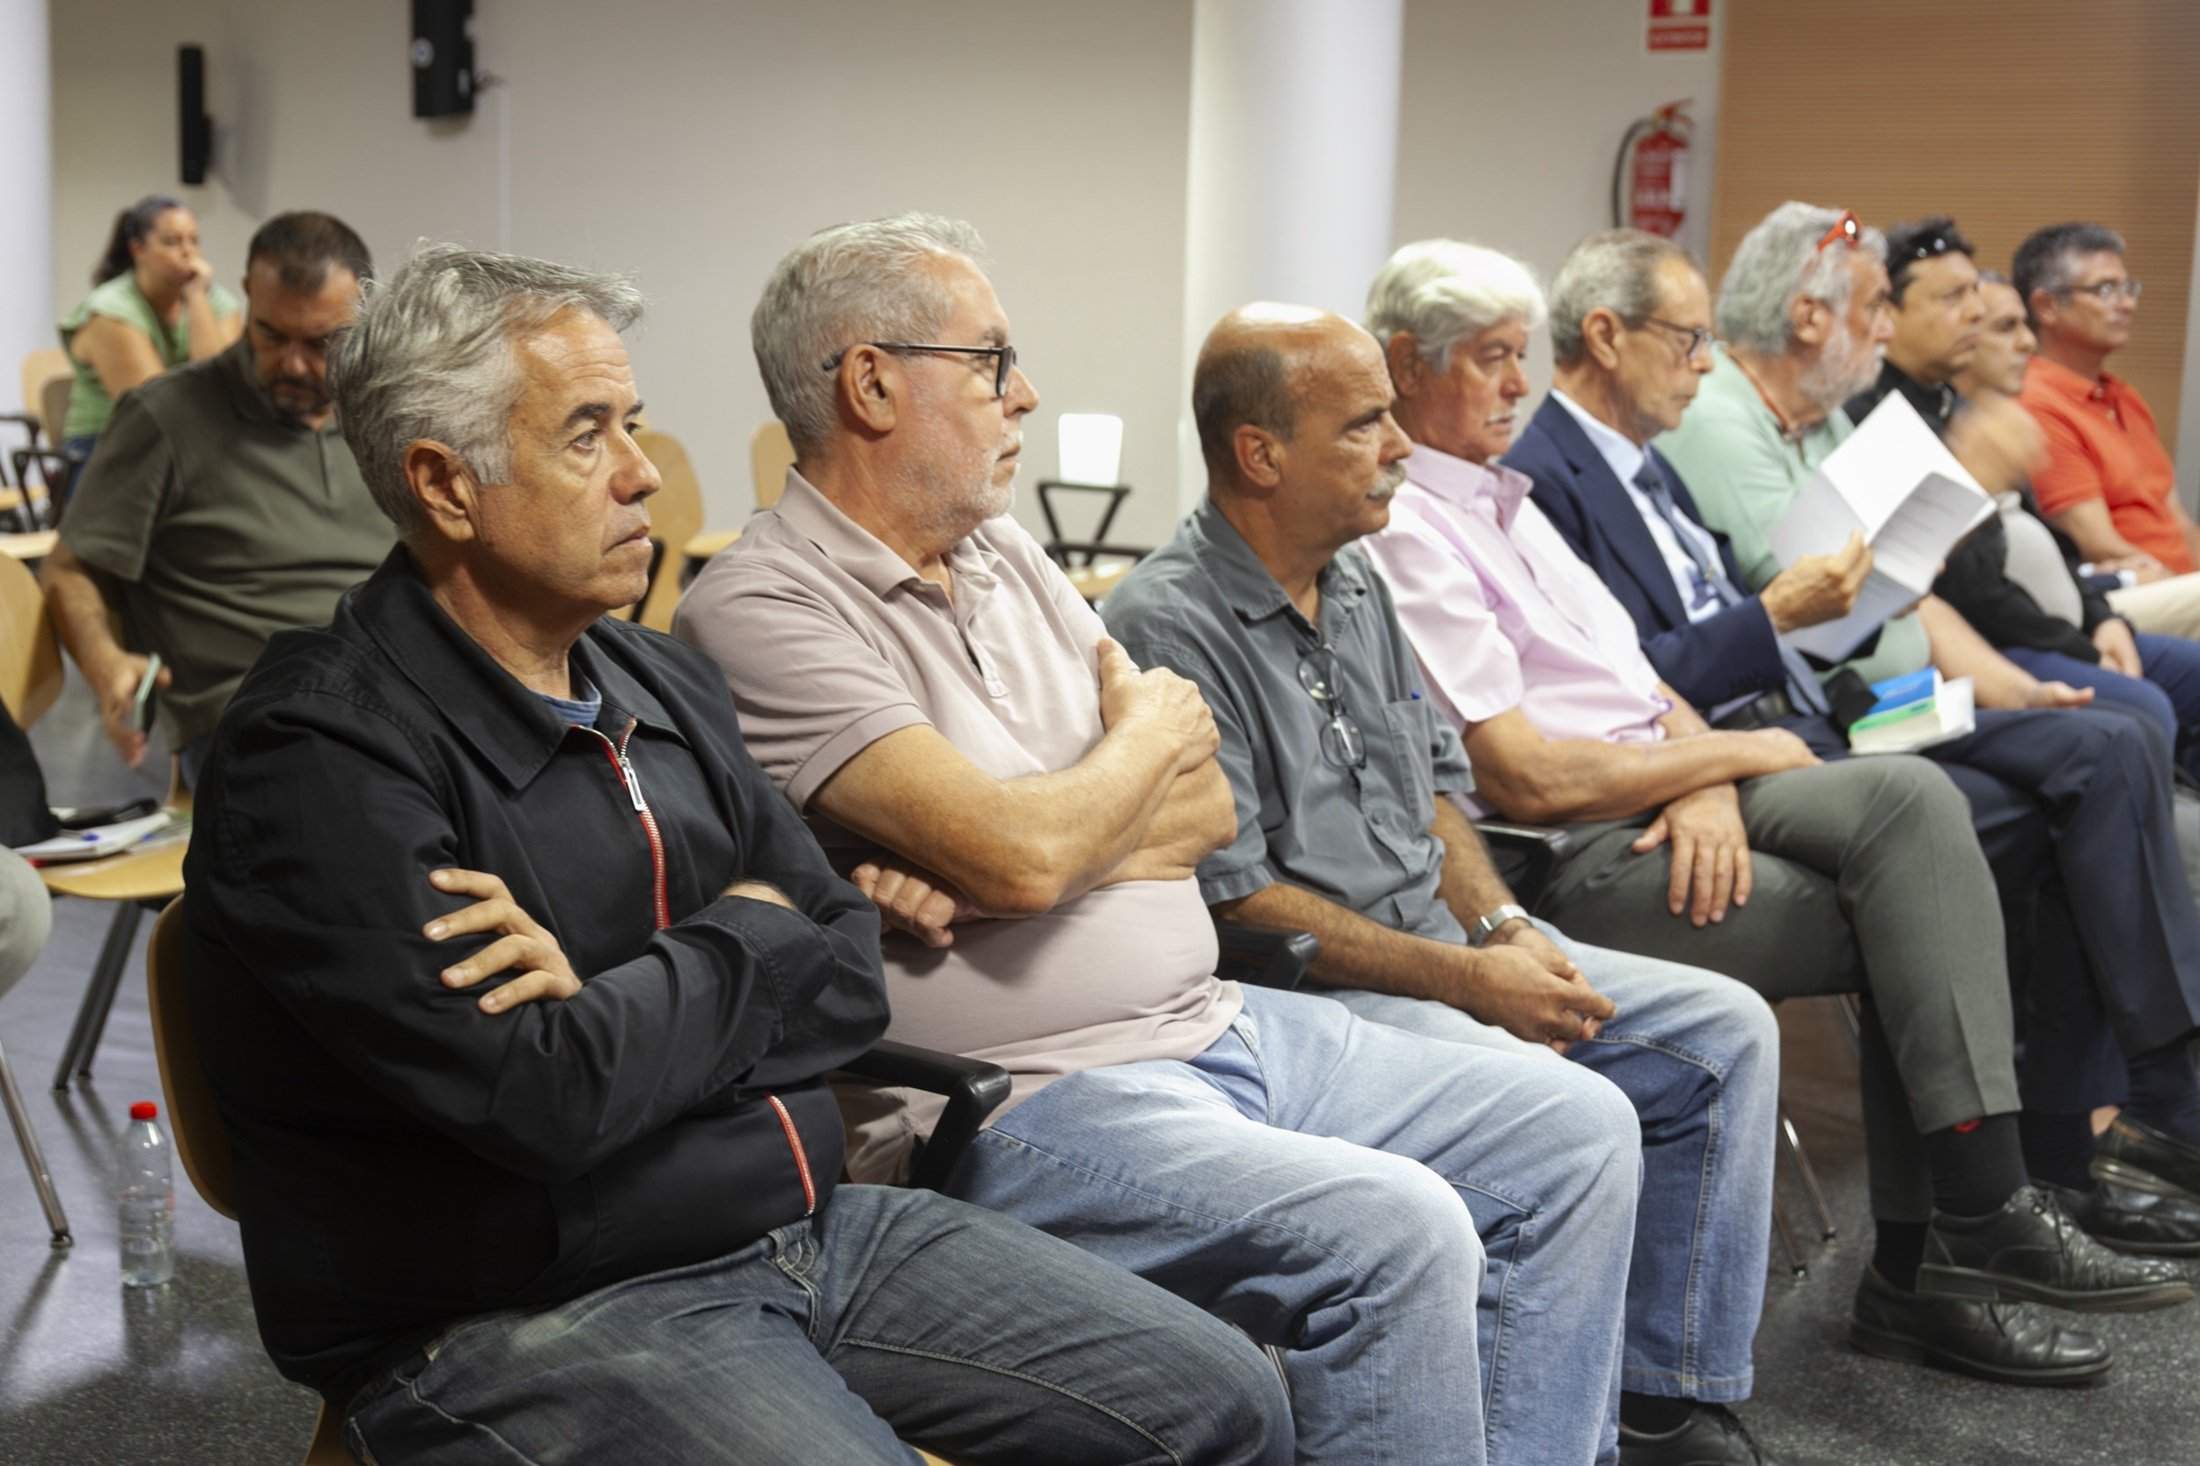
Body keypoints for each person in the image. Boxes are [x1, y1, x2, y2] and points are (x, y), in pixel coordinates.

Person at [179, 241, 1290, 1466]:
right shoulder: (322, 751)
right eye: (587, 436)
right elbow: (541, 1095)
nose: (644, 477)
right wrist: (751, 926)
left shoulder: (654, 675)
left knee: (1221, 1394)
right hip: (515, 1306)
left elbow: (848, 973)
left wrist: (623, 984)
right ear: (446, 485)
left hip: (793, 1224)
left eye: (632, 425)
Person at [682, 213, 1643, 1466]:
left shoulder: (1006, 552)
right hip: (1027, 1088)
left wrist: (1032, 838)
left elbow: (1204, 809)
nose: (1023, 391)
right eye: (989, 362)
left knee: (1574, 1131)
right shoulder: (759, 602)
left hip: (1217, 1018)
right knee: (1397, 1228)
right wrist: (1095, 786)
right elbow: (1044, 841)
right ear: (870, 382)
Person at [1360, 234, 2185, 1387]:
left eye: (1520, 355)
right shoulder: (1414, 523)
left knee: (2018, 768)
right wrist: (1726, 749)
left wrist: (1703, 762)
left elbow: (1641, 682)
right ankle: (1959, 1234)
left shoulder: (1514, 497)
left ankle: (1978, 1217)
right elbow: (1526, 775)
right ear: (1405, 365)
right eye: (1489, 358)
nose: (1514, 383)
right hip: (1587, 841)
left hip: (1719, 761)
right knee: (1948, 882)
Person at [1102, 299, 1787, 1466]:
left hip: (1445, 942)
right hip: (1317, 995)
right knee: (1568, 1111)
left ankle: (1661, 1391)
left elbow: (1434, 794)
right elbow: (1241, 906)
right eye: (1366, 424)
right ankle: (1540, 1437)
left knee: (1724, 1030)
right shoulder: (1169, 618)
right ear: (1260, 454)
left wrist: (1506, 927)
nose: (1402, 447)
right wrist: (1473, 981)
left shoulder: (1356, 574)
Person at [1637, 202, 2200, 1242]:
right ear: (1810, 317)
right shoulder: (1722, 421)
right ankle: (2151, 1100)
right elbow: (1812, 611)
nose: (1887, 328)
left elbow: (1916, 599)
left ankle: (2085, 1132)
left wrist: (2005, 682)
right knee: (2101, 750)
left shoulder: (1831, 419)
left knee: (2104, 738)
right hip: (1841, 714)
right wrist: (1962, 476)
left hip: (1899, 696)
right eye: (1875, 305)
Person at [40, 211, 392, 783]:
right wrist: (106, 666)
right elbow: (70, 567)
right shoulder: (166, 417)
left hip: (392, 696)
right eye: (272, 335)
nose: (294, 364)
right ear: (248, 296)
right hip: (258, 715)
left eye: (322, 343)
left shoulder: (382, 414)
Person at [1845, 218, 2200, 774]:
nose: (1973, 314)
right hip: (1973, 651)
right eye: (1952, 298)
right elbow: (1964, 589)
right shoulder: (1872, 419)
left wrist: (2102, 620)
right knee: (2138, 709)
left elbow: (2056, 549)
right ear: (1890, 313)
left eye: (1973, 296)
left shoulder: (1954, 409)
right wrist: (2082, 645)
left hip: (2054, 622)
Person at [2014, 221, 2200, 639]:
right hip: (2119, 597)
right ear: (2046, 306)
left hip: (2180, 589)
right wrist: (2183, 584)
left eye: (2127, 288)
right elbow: (2100, 543)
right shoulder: (2037, 402)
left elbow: (2178, 520)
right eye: (2104, 290)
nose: (2126, 304)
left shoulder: (2123, 396)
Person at [57, 195, 241, 458]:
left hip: (190, 449)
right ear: (137, 249)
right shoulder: (110, 310)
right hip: (105, 451)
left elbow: (225, 390)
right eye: (171, 242)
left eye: (194, 240)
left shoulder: (212, 299)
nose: (188, 252)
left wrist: (196, 298)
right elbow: (156, 412)